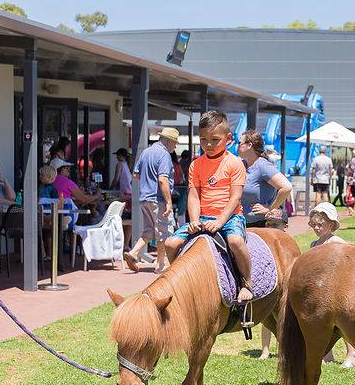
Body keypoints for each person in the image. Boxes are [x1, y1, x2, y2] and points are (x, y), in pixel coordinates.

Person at [165, 111, 253, 304]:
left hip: (230, 218)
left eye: (215, 139)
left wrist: (220, 221)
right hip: (203, 217)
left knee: (236, 241)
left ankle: (247, 282)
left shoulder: (235, 163)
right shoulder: (195, 165)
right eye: (204, 140)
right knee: (170, 244)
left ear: (228, 139)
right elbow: (194, 195)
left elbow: (235, 197)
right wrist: (194, 220)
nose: (209, 145)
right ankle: (181, 280)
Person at [305, 202, 355, 367]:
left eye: (320, 225)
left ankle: (352, 354)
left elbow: (348, 261)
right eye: (314, 225)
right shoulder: (313, 245)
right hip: (320, 290)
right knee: (323, 324)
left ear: (331, 224)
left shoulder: (336, 241)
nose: (317, 228)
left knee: (342, 324)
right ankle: (327, 355)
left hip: (336, 289)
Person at [123, 128, 177, 273]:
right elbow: (163, 180)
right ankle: (160, 265)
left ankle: (133, 252)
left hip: (144, 197)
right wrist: (169, 202)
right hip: (157, 198)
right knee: (163, 232)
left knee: (148, 230)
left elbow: (136, 175)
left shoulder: (146, 152)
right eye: (175, 143)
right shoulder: (164, 154)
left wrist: (148, 180)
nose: (175, 147)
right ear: (169, 141)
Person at [237, 130, 292, 229]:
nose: (237, 146)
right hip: (241, 222)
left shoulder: (262, 165)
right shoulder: (243, 164)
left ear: (249, 145)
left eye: (239, 143)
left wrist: (270, 208)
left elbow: (286, 187)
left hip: (259, 224)